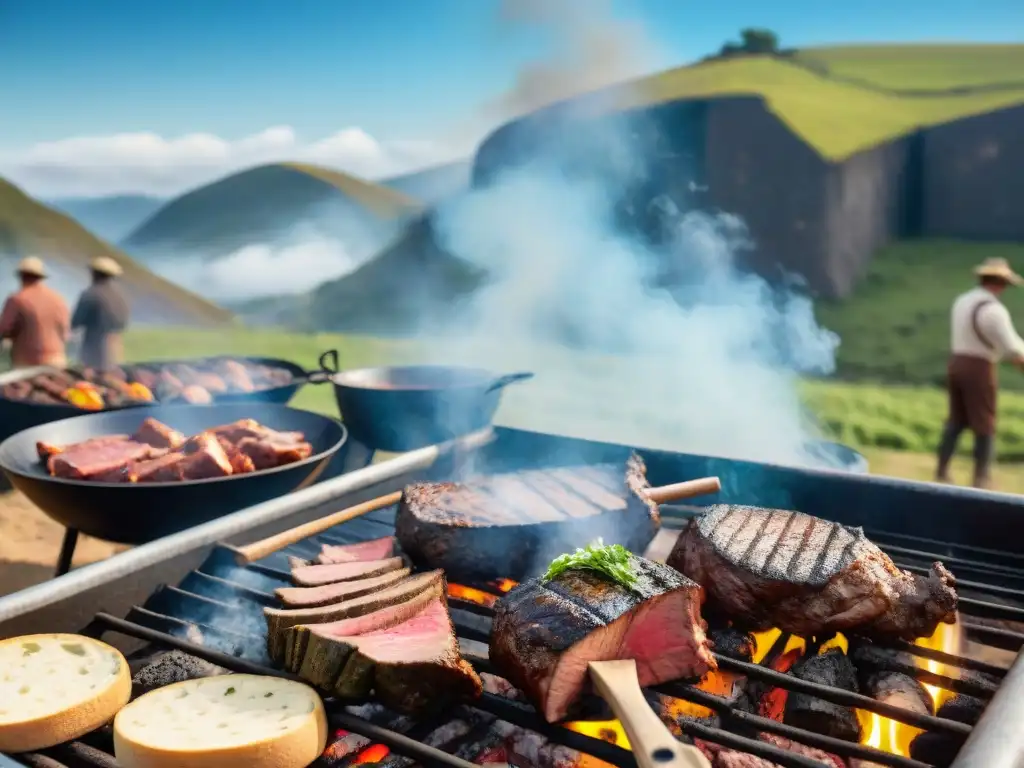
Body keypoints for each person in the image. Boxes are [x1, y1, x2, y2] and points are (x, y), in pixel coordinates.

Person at [935, 257, 1024, 489]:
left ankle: (942, 470)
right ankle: (981, 478)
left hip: (956, 363)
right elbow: (1012, 347)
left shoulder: (962, 301)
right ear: (1000, 283)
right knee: (985, 422)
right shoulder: (994, 310)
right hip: (979, 367)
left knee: (956, 419)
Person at [0, 256, 70, 368]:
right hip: (57, 362)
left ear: (22, 276)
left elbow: (3, 328)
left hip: (28, 364)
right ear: (40, 277)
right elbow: (65, 332)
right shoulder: (58, 299)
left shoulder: (17, 299)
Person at [71, 256, 130, 370]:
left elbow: (75, 322)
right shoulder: (120, 296)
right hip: (116, 347)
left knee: (93, 381)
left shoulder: (90, 294)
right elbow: (123, 323)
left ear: (95, 274)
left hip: (95, 349)